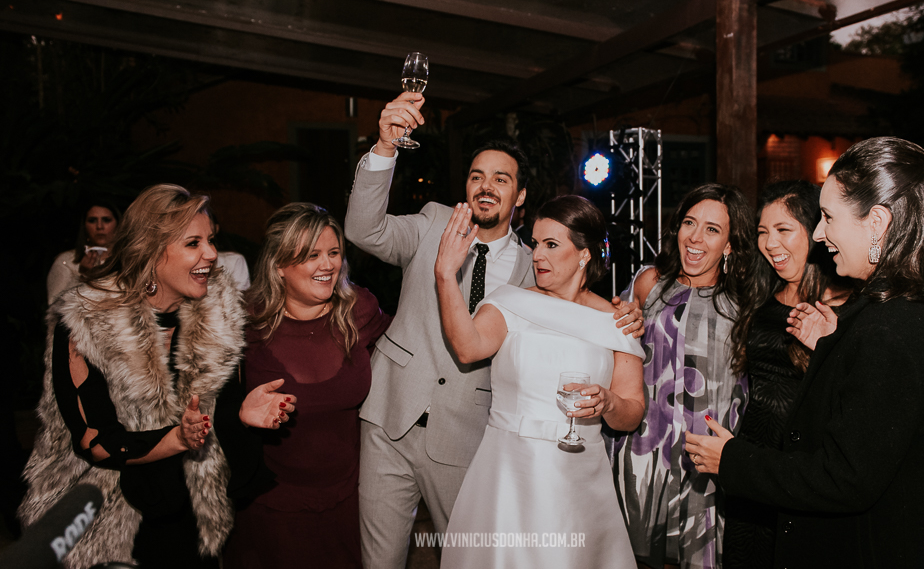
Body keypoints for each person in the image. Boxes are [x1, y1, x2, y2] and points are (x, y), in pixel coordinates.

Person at [343, 93, 643, 568]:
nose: (486, 186)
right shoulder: (432, 222)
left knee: (472, 557)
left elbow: (575, 315)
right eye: (477, 176)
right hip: (392, 418)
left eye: (501, 179)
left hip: (469, 436)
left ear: (519, 196)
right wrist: (384, 147)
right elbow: (363, 231)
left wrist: (622, 318)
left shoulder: (536, 270)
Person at [685, 137, 924, 568]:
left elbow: (843, 478)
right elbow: (923, 427)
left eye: (828, 217)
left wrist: (734, 460)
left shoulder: (887, 327)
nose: (818, 233)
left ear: (878, 222)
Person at [19, 184, 293, 569]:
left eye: (210, 241)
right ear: (149, 249)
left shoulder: (219, 313)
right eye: (193, 243)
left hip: (191, 516)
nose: (212, 254)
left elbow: (210, 422)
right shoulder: (87, 323)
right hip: (108, 519)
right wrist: (176, 438)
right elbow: (95, 441)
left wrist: (240, 415)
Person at [434, 195, 645, 568]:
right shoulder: (511, 303)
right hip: (507, 473)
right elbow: (468, 348)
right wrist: (445, 275)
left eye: (551, 245)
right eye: (534, 243)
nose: (537, 255)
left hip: (578, 477)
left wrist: (609, 402)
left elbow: (631, 413)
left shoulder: (617, 322)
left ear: (584, 254)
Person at [224, 203, 392, 569]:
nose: (328, 265)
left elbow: (411, 354)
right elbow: (205, 407)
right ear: (279, 265)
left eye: (333, 253)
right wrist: (238, 415)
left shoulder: (359, 310)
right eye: (312, 255)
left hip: (349, 503)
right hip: (268, 508)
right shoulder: (241, 322)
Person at [608, 183, 756, 569]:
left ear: (729, 244)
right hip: (642, 455)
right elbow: (614, 351)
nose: (695, 236)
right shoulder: (649, 283)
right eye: (689, 222)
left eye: (712, 229)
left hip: (705, 463)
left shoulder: (747, 302)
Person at [723, 181, 850, 568]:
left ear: (815, 232)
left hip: (803, 472)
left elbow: (866, 397)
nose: (770, 243)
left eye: (783, 230)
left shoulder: (847, 309)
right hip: (751, 467)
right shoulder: (759, 297)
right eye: (763, 232)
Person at [47, 200, 121, 304]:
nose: (100, 226)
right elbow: (54, 307)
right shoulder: (67, 261)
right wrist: (82, 276)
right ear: (84, 226)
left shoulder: (128, 261)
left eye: (106, 220)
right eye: (92, 220)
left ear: (118, 225)